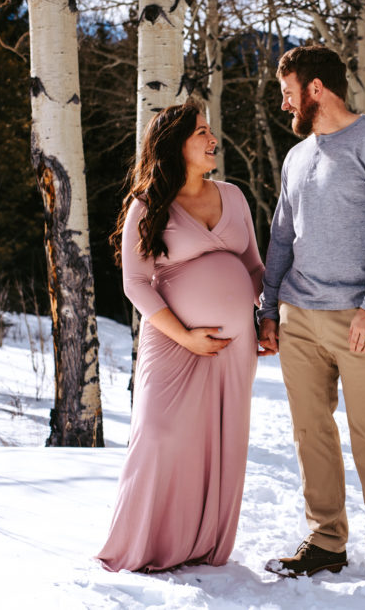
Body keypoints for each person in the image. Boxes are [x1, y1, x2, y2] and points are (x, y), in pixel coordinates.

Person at [257, 45, 365, 590]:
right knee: (312, 433)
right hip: (298, 315)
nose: (283, 103)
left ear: (315, 89)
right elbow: (282, 236)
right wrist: (268, 308)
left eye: (288, 92)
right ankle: (326, 541)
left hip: (360, 317)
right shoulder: (297, 156)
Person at [96, 101, 265, 573]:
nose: (213, 140)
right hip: (172, 343)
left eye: (211, 131)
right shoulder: (147, 205)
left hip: (235, 349)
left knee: (222, 442)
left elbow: (254, 268)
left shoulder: (233, 197)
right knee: (160, 435)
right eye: (202, 133)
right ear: (175, 145)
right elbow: (135, 282)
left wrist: (267, 318)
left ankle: (204, 545)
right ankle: (143, 545)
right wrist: (186, 336)